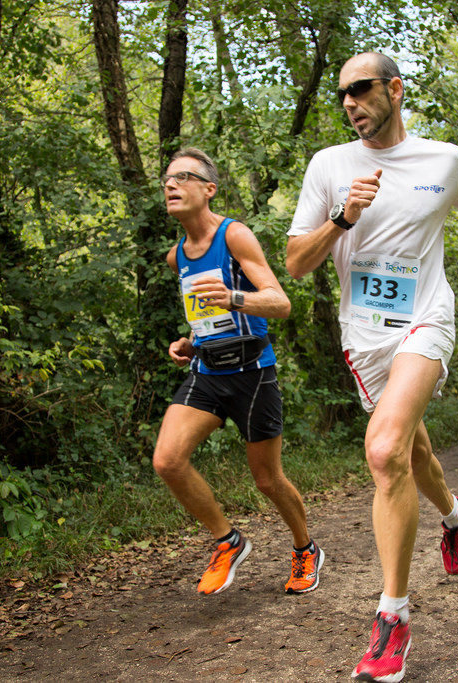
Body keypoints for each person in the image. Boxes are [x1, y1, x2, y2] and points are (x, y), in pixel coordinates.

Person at [286, 53, 458, 681]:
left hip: (425, 320)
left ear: (394, 89)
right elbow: (298, 264)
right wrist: (342, 218)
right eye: (342, 95)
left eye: (361, 89)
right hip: (365, 338)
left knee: (383, 452)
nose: (351, 102)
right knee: (412, 457)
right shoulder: (329, 167)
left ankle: (393, 618)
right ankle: (455, 514)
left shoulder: (443, 159)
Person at [153, 147, 324, 596]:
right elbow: (204, 316)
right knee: (167, 461)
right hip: (208, 370)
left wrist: (233, 297)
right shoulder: (177, 258)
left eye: (183, 177)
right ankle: (227, 542)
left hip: (253, 374)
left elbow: (280, 303)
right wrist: (191, 342)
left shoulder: (234, 236)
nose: (171, 185)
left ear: (208, 189)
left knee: (267, 480)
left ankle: (306, 549)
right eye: (167, 180)